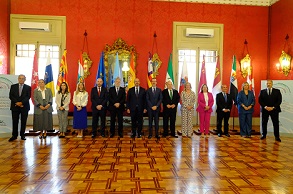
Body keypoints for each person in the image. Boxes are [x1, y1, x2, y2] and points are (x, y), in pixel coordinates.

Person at [8, 74, 31, 141]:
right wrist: (17, 103)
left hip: (24, 107)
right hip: (15, 107)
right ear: (18, 79)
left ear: (25, 79)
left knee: (23, 122)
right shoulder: (13, 86)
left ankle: (22, 135)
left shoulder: (28, 87)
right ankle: (14, 135)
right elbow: (11, 96)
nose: (21, 79)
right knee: (15, 121)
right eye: (20, 78)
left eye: (23, 78)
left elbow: (28, 96)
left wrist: (21, 103)